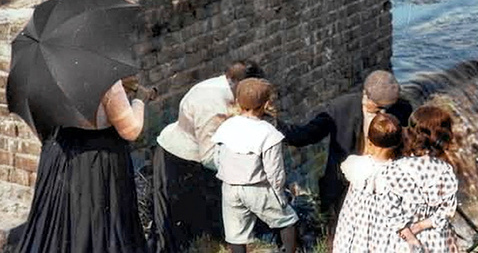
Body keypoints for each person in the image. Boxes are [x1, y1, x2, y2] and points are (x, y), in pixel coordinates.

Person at [15, 79, 148, 253]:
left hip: (60, 155)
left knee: (62, 229)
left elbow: (40, 124)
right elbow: (131, 130)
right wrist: (140, 99)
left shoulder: (45, 71)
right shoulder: (102, 77)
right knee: (99, 229)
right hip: (97, 160)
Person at [279, 70, 413, 231]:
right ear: (365, 94)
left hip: (383, 179)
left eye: (386, 107)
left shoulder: (402, 109)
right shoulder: (341, 107)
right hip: (343, 181)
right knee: (338, 228)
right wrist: (276, 126)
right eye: (378, 106)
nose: (382, 111)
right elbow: (309, 134)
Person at [151, 60, 261, 253]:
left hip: (192, 157)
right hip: (180, 161)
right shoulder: (213, 105)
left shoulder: (222, 85)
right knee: (181, 234)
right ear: (238, 85)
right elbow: (209, 156)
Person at [213, 78, 299, 253]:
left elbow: (217, 158)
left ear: (238, 101)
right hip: (257, 187)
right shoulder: (268, 133)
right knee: (286, 220)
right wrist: (280, 195)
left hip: (229, 186)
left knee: (235, 233)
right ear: (266, 104)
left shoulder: (226, 126)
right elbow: (275, 171)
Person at [380, 105, 460, 253]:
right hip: (437, 241)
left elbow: (389, 210)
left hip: (401, 240)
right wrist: (420, 226)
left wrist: (409, 235)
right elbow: (447, 211)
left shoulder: (395, 169)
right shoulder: (445, 171)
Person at [331, 113, 404, 252]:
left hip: (355, 231)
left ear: (369, 141)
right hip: (385, 236)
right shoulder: (400, 172)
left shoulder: (357, 165)